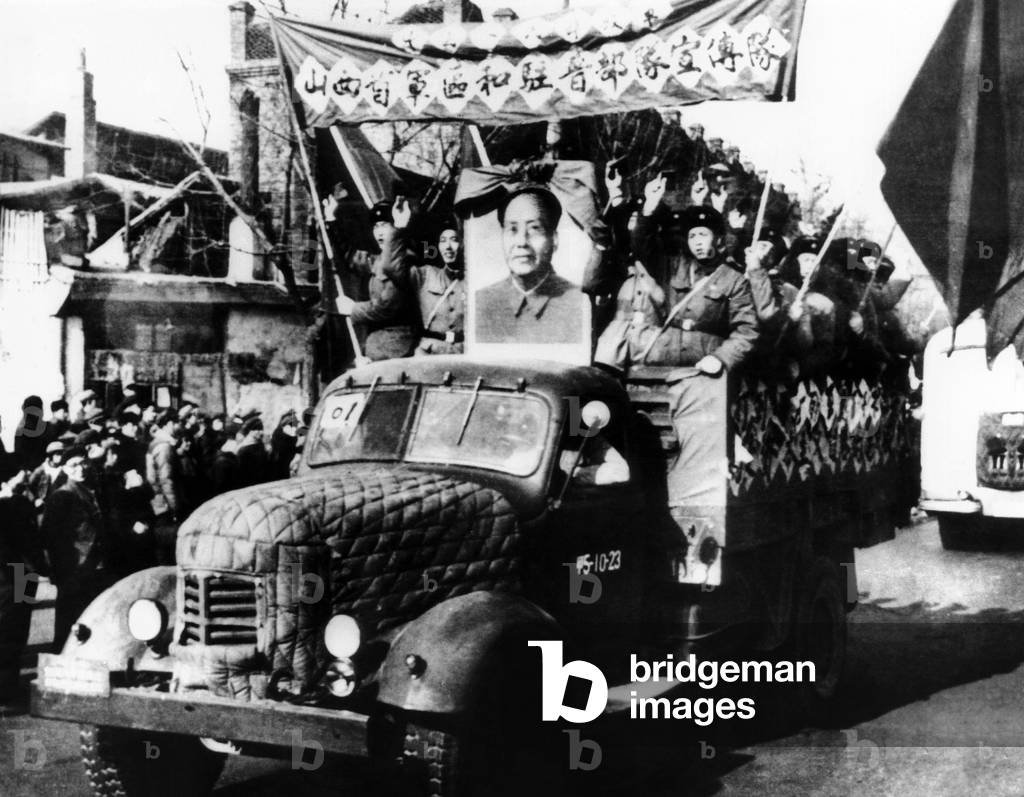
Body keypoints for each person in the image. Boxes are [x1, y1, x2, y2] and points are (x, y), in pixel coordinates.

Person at [597, 174, 758, 374]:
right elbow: (643, 249)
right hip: (658, 360)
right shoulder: (673, 267)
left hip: (704, 367)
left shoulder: (734, 280)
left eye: (703, 235)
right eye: (692, 236)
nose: (697, 241)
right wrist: (649, 208)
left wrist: (721, 358)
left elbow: (747, 330)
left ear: (718, 240)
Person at [474, 185, 586, 345]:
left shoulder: (578, 303)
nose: (521, 242)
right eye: (513, 229)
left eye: (534, 229)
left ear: (554, 239)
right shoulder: (481, 303)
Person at [332, 197, 418, 361]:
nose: (379, 232)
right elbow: (350, 256)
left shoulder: (406, 261)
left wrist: (353, 309)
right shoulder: (378, 260)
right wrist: (331, 220)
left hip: (397, 348)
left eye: (385, 225)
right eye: (376, 227)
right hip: (378, 345)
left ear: (396, 228)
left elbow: (388, 307)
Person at [41, 447, 110, 649]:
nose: (80, 469)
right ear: (64, 469)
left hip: (95, 566)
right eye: (73, 465)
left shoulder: (91, 490)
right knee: (69, 622)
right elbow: (49, 537)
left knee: (94, 617)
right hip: (75, 569)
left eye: (83, 463)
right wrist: (62, 571)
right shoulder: (61, 496)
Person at [0, 463, 46, 704]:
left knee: (17, 630)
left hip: (22, 576)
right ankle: (6, 689)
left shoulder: (17, 503)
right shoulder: (13, 505)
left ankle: (9, 686)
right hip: (15, 576)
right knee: (12, 631)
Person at [411, 221, 466, 355]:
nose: (448, 246)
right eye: (443, 241)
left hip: (463, 352)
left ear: (463, 244)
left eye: (454, 240)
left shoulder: (472, 281)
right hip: (429, 351)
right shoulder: (425, 274)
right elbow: (395, 269)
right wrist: (400, 230)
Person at [146, 411, 183, 566]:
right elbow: (166, 478)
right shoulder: (164, 447)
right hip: (164, 503)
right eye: (177, 422)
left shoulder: (157, 442)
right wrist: (175, 507)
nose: (179, 426)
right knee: (168, 544)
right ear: (169, 424)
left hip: (159, 501)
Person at [28, 441, 67, 511]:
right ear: (51, 455)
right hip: (42, 506)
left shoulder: (64, 470)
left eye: (62, 454)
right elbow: (29, 487)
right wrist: (35, 499)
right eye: (57, 454)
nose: (61, 456)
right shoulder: (41, 470)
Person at [237, 416, 269, 487]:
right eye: (258, 429)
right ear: (250, 431)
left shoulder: (260, 445)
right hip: (249, 483)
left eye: (261, 429)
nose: (261, 432)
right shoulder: (243, 450)